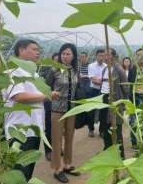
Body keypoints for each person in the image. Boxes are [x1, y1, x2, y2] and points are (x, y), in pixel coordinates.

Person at [2, 39, 58, 181]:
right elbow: (19, 96)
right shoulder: (12, 71)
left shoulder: (34, 75)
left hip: (34, 129)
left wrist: (47, 95)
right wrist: (46, 96)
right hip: (19, 131)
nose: (38, 52)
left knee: (27, 172)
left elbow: (37, 96)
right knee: (18, 172)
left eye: (38, 49)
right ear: (21, 50)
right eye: (34, 49)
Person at [46, 43, 80, 183]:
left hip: (71, 109)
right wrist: (51, 94)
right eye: (63, 53)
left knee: (70, 138)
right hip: (57, 110)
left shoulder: (74, 70)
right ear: (60, 55)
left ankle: (67, 164)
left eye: (68, 54)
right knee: (57, 139)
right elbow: (45, 88)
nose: (65, 56)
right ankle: (57, 169)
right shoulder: (54, 70)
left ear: (73, 56)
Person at [100, 48, 129, 159]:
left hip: (115, 103)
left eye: (107, 54)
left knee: (117, 130)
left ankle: (121, 156)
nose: (105, 57)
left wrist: (123, 104)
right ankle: (108, 152)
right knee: (105, 129)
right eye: (104, 54)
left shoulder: (119, 70)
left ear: (113, 56)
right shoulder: (104, 69)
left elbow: (126, 88)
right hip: (104, 101)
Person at [128, 48, 143, 148]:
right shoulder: (132, 69)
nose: (140, 57)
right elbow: (129, 84)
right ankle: (134, 142)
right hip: (135, 96)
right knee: (133, 120)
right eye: (138, 55)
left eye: (142, 55)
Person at [42, 53, 59, 161]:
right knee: (49, 128)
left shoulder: (64, 73)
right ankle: (48, 151)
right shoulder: (47, 73)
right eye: (56, 60)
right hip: (50, 104)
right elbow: (45, 89)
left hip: (60, 105)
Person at [87, 49, 106, 137]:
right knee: (91, 110)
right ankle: (91, 129)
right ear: (96, 56)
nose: (101, 57)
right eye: (100, 55)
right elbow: (93, 80)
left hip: (103, 91)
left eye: (103, 56)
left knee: (103, 111)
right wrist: (102, 80)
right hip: (93, 91)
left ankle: (102, 130)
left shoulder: (106, 66)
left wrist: (100, 80)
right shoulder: (91, 66)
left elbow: (105, 80)